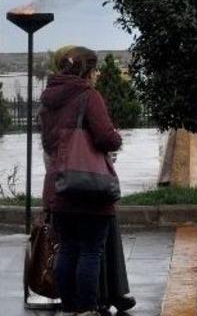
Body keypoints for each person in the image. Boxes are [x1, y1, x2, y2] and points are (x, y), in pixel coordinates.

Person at [47, 47, 136, 314]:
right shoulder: (89, 96)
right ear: (87, 70)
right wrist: (116, 137)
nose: (96, 75)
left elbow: (49, 142)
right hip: (90, 187)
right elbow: (106, 138)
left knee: (68, 248)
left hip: (60, 184)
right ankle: (86, 308)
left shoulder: (49, 99)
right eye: (95, 70)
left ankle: (70, 305)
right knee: (90, 250)